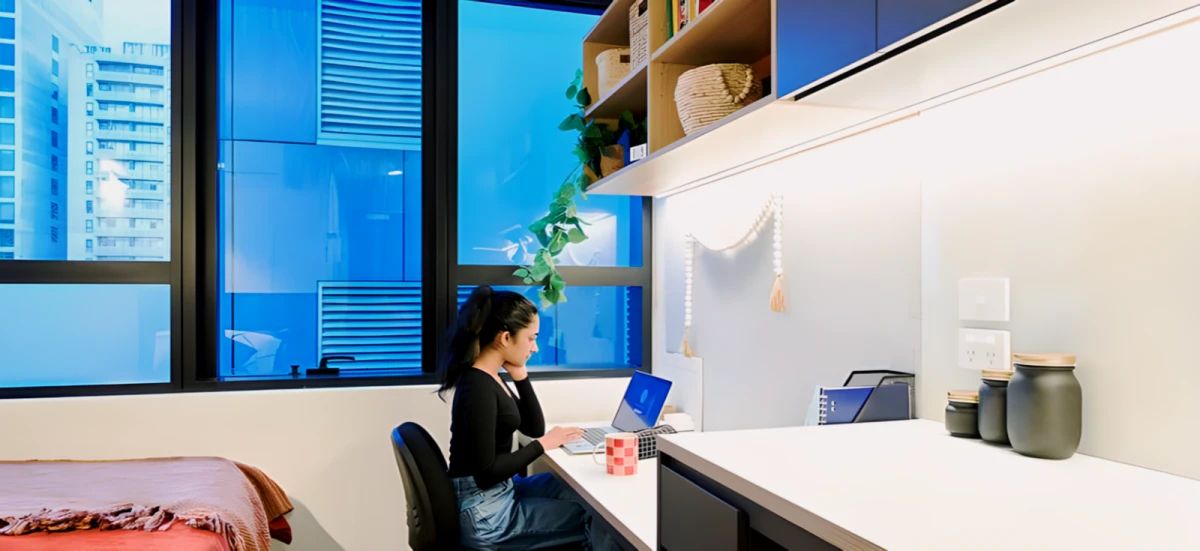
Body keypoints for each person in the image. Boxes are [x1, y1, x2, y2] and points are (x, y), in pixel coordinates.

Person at [440, 285, 619, 550]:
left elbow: (534, 427)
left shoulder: (491, 377)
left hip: (499, 492)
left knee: (579, 493)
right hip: (487, 514)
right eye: (531, 338)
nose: (535, 347)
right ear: (505, 338)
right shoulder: (477, 387)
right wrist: (543, 445)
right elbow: (486, 473)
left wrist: (520, 374)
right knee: (596, 517)